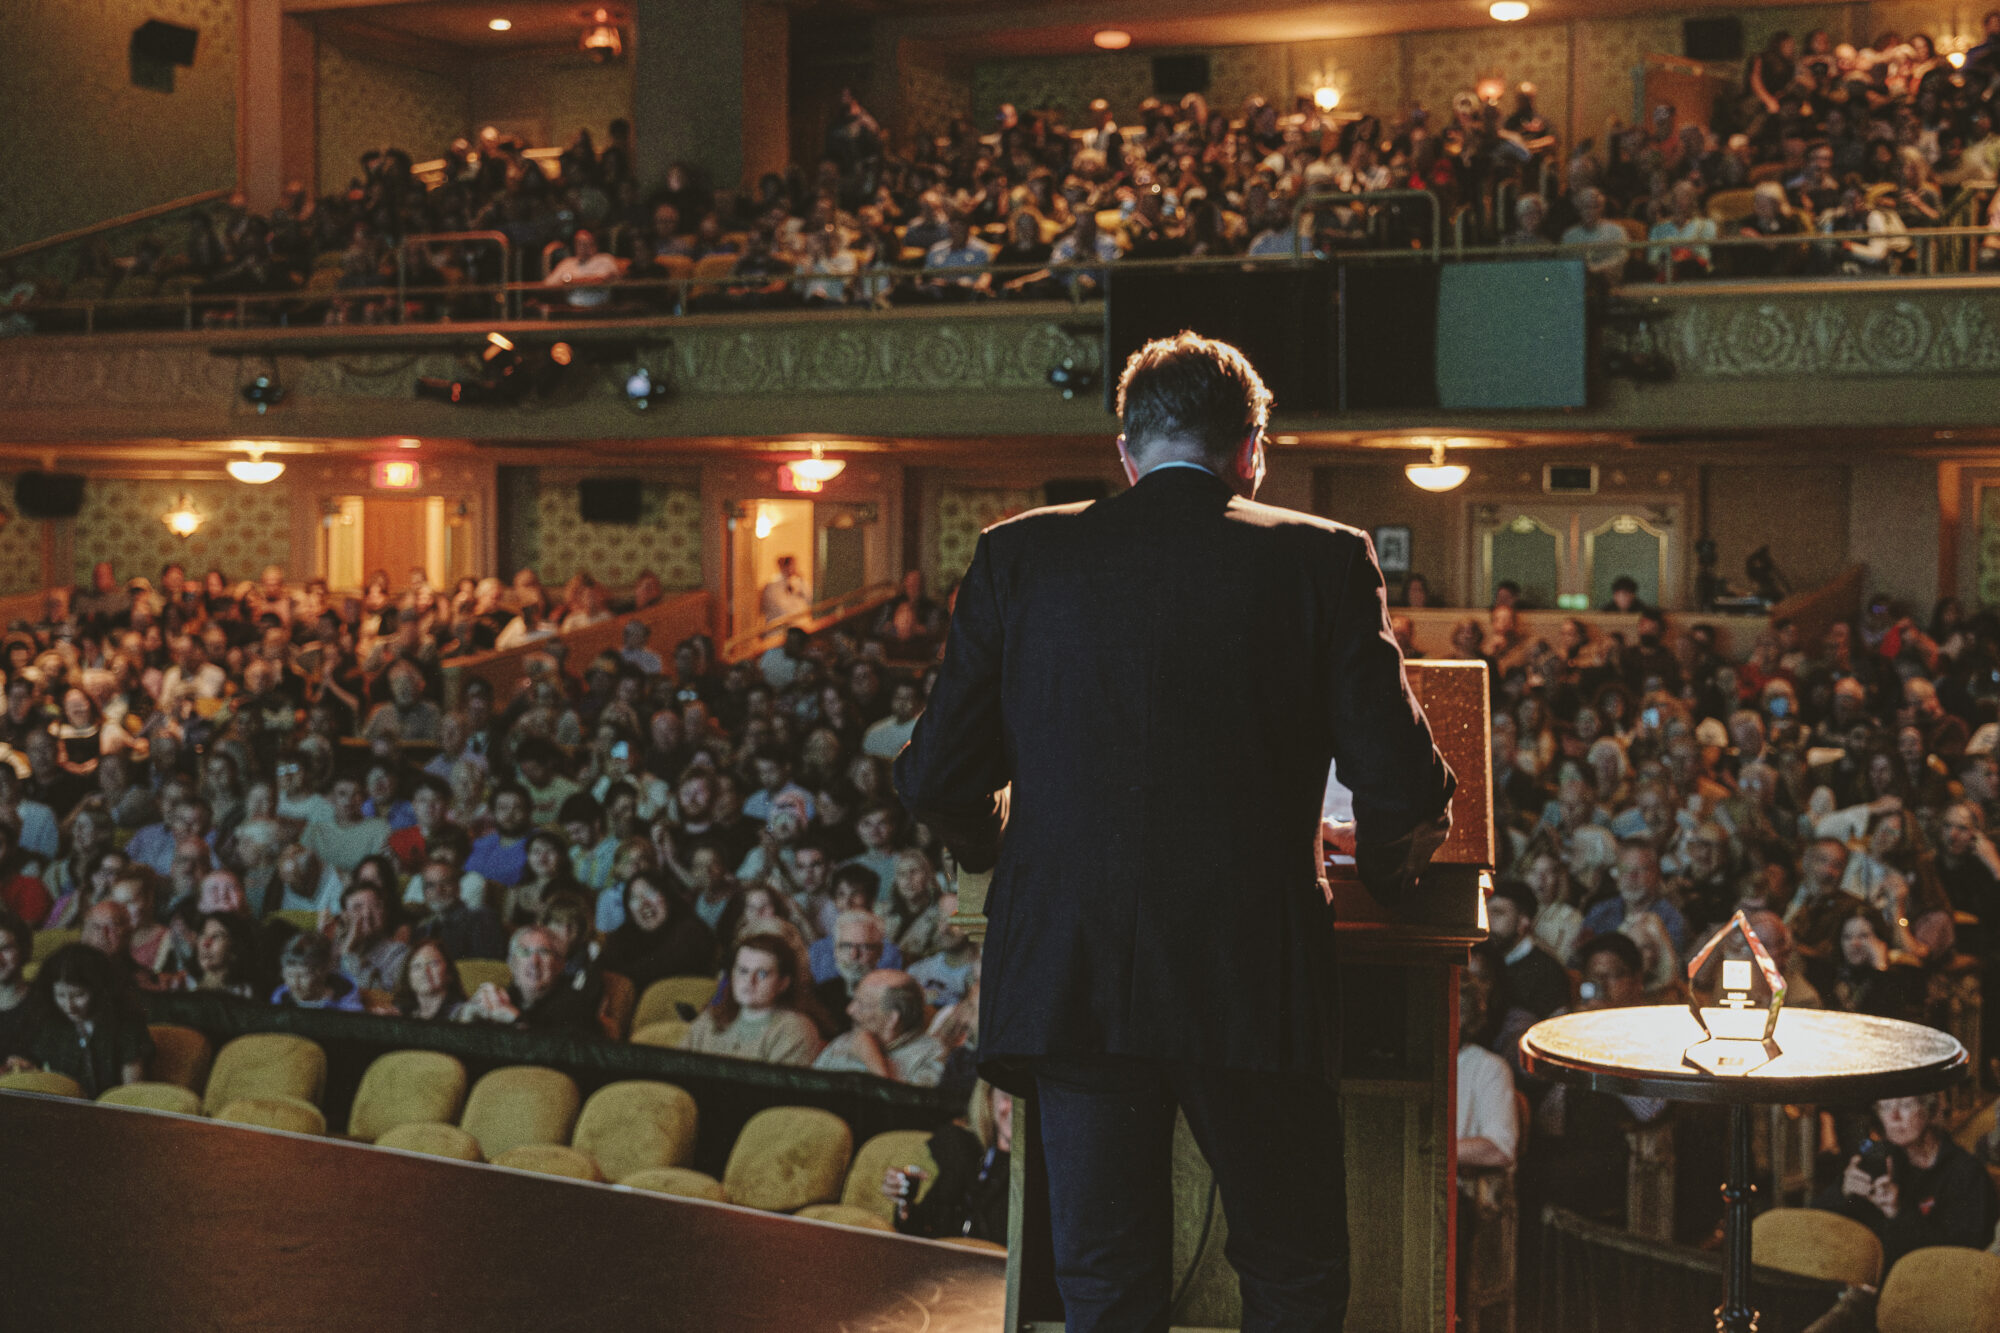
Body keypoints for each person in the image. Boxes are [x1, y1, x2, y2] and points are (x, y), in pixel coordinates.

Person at [895, 332, 1455, 1330]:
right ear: (1253, 451)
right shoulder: (1323, 557)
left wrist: (1001, 845)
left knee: (1104, 1281)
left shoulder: (1017, 552)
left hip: (1068, 972)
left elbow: (938, 775)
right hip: (1246, 972)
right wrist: (1384, 870)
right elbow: (1401, 786)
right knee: (1289, 1266)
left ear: (1125, 450)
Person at [1813, 1094, 1998, 1270]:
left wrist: (1897, 1212)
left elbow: (1958, 1260)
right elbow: (1814, 1227)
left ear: (1930, 1111)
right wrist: (1843, 1192)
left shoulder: (1965, 1173)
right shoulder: (1878, 1160)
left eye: (1905, 1105)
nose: (1894, 1117)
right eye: (1885, 1107)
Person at [883, 1080, 1013, 1243]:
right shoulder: (961, 1151)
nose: (1016, 1111)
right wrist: (905, 1205)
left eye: (1024, 1102)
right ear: (989, 1097)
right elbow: (924, 1232)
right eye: (1008, 1097)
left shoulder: (1040, 1174)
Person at [13, 944, 151, 1096]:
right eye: (60, 995)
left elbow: (132, 1092)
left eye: (78, 995)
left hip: (112, 1110)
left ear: (99, 991)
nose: (69, 1006)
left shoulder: (126, 1026)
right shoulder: (49, 1025)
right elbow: (41, 1072)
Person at [681, 932, 824, 1065]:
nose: (749, 980)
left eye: (762, 974)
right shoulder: (710, 1018)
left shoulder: (795, 1029)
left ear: (783, 983)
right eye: (743, 971)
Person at [455, 925, 602, 1033]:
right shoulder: (504, 997)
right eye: (524, 952)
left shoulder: (576, 1005)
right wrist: (467, 1019)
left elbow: (559, 1055)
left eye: (543, 952)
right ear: (511, 963)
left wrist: (517, 1020)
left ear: (559, 964)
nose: (534, 961)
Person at [813, 969, 947, 1085]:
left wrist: (873, 1060)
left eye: (863, 1005)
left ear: (892, 1019)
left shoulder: (932, 1056)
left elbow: (908, 1110)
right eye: (854, 1001)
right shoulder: (844, 1041)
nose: (850, 1010)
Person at [271, 931, 366, 1011]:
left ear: (321, 972)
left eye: (303, 976)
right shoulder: (281, 997)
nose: (295, 983)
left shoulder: (345, 1000)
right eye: (289, 975)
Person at [392, 938, 467, 1020]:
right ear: (408, 977)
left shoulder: (462, 1014)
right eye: (417, 966)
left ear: (449, 972)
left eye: (433, 963)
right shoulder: (401, 1015)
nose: (425, 971)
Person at [759, 555, 811, 623]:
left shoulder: (798, 582)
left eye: (794, 565)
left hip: (798, 624)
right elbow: (781, 609)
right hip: (779, 627)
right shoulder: (772, 586)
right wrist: (799, 606)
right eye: (789, 566)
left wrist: (802, 581)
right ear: (782, 567)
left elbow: (810, 599)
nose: (792, 569)